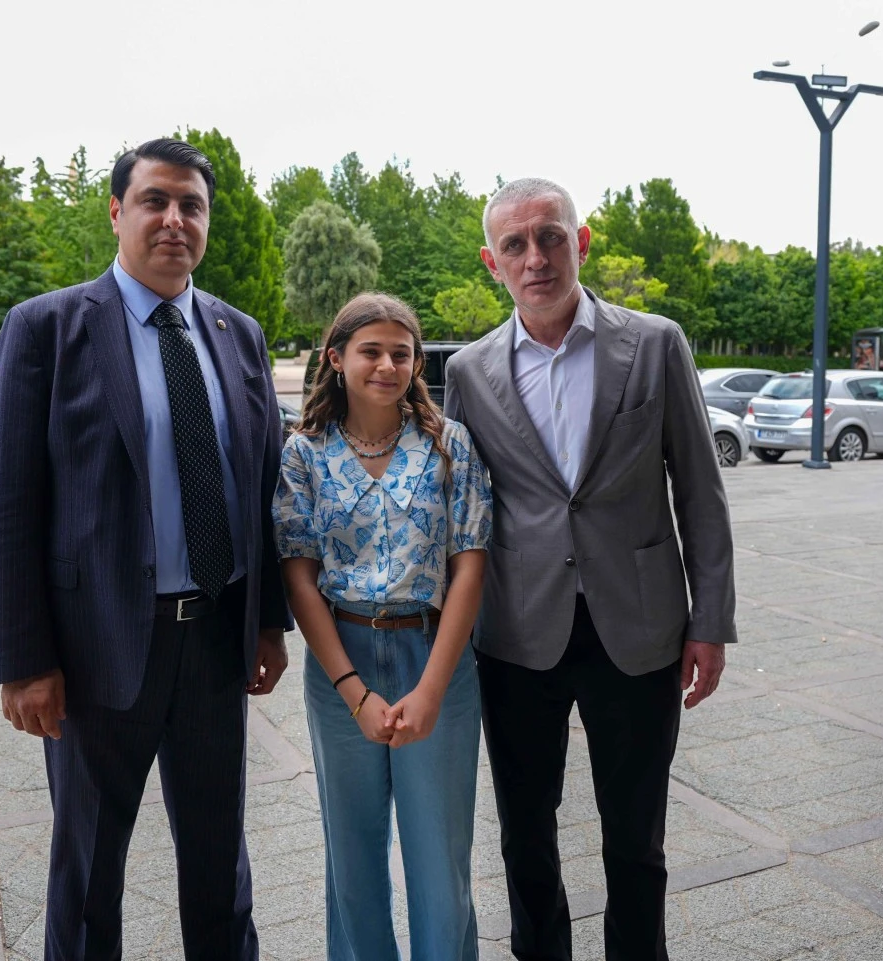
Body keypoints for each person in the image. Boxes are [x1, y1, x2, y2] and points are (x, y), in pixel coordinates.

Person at [0, 138, 291, 961]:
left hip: (215, 640)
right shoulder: (46, 328)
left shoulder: (238, 334)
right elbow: (7, 506)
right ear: (117, 212)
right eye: (156, 200)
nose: (174, 219)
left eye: (192, 206)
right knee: (88, 875)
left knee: (220, 866)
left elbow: (262, 485)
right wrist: (24, 660)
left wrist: (267, 623)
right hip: (95, 653)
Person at [443, 178, 736, 961]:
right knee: (524, 833)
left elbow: (700, 491)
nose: (535, 257)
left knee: (636, 836)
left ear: (581, 241)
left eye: (551, 236)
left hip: (638, 628)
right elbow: (460, 513)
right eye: (514, 244)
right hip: (516, 634)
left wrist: (710, 621)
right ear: (492, 263)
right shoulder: (468, 372)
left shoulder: (656, 343)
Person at [272, 293, 492, 961]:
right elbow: (299, 578)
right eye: (371, 351)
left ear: (418, 362)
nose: (388, 365)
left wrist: (432, 688)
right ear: (336, 358)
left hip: (436, 655)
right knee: (352, 858)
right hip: (343, 659)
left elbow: (470, 567)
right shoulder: (303, 453)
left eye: (402, 353)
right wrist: (353, 691)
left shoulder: (450, 445)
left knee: (440, 858)